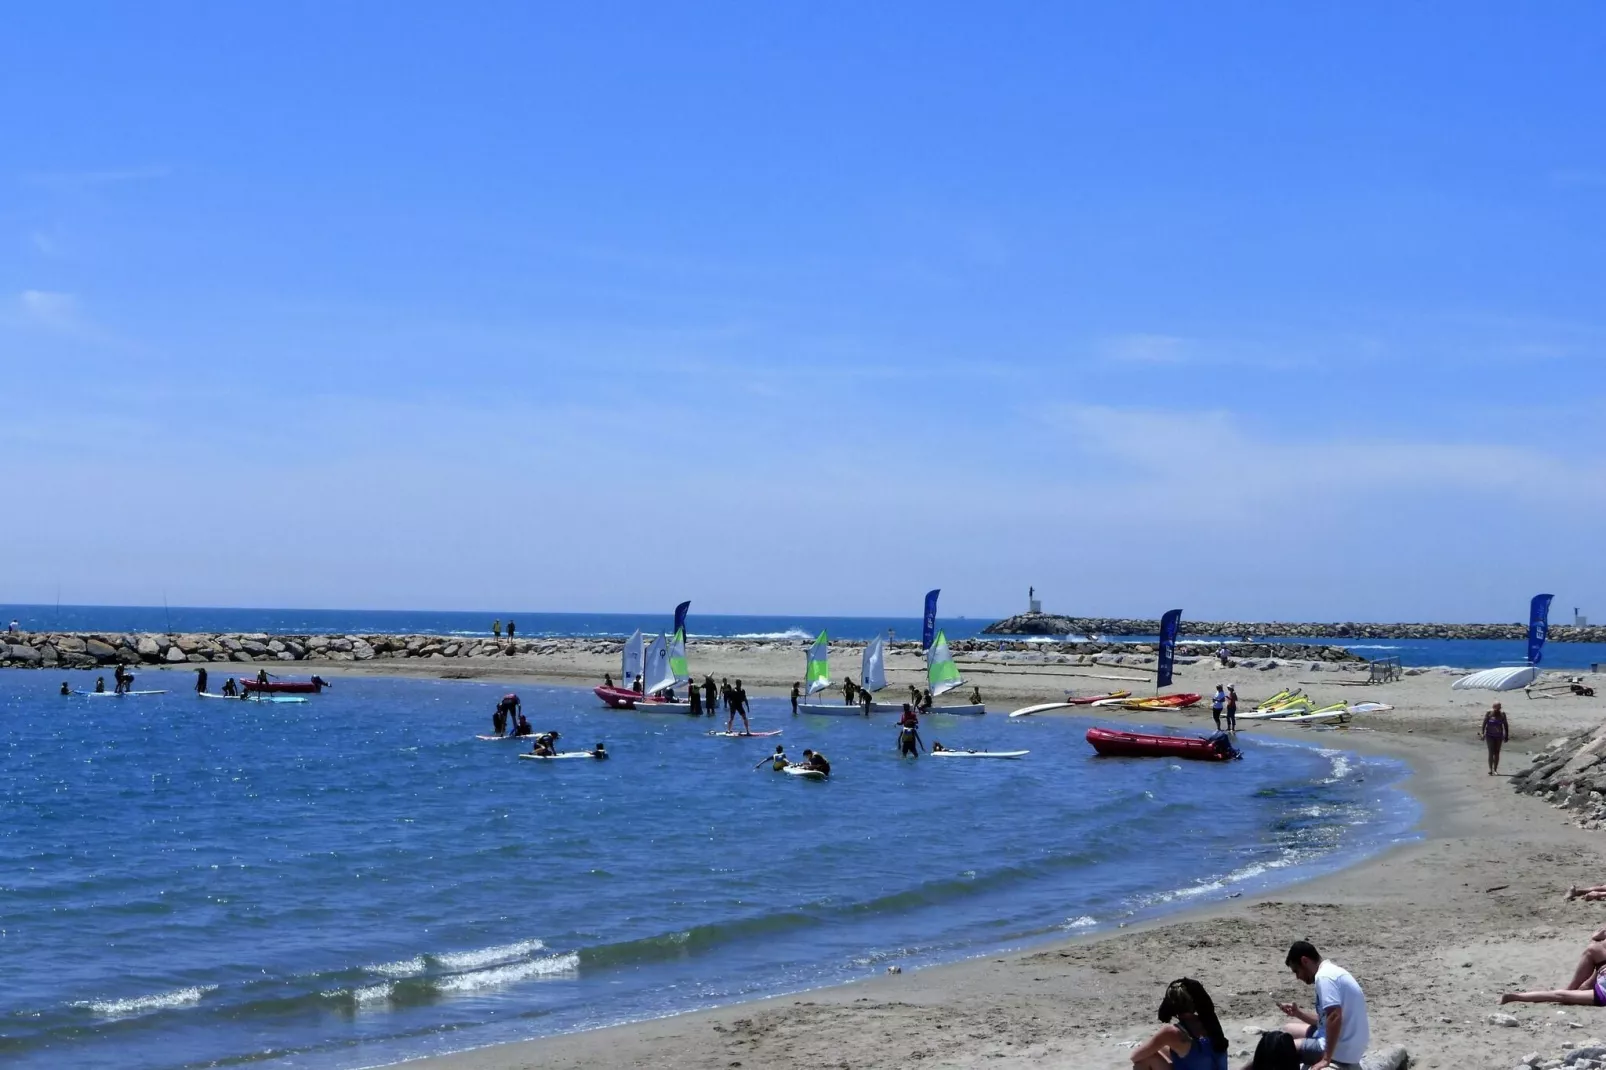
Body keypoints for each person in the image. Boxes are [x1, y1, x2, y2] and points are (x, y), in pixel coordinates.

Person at [1277, 941, 1369, 1069]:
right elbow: (1325, 1020)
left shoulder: (1324, 977)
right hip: (1350, 1044)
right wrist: (1298, 1013)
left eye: (1296, 971)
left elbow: (1335, 1017)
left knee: (1278, 1049)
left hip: (1341, 1050)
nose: (1297, 977)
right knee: (1287, 1030)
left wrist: (1326, 1059)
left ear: (1305, 961)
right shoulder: (1332, 971)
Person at [1129, 977, 1229, 1070]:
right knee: (1165, 1048)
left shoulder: (1171, 1032)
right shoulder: (1211, 1025)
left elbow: (1134, 1056)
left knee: (1143, 1061)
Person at [1500, 927, 1606, 1007]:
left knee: (1561, 995)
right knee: (1593, 949)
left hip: (1602, 990)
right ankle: (1571, 988)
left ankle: (1518, 997)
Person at [1481, 702, 1509, 775]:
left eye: (1499, 707)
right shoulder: (1489, 713)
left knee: (1497, 753)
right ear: (1493, 707)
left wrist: (1506, 735)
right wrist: (1482, 733)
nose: (1498, 709)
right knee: (1491, 752)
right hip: (1489, 735)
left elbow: (1505, 725)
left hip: (1499, 736)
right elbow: (1484, 723)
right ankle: (1490, 770)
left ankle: (1495, 769)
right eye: (1497, 707)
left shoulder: (1502, 714)